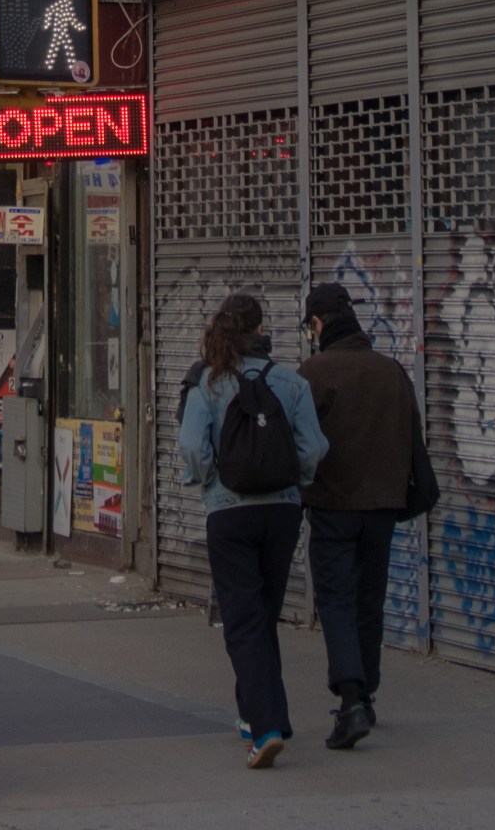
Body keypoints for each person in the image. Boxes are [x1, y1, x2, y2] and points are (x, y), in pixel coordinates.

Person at [177, 290, 327, 768]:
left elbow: (192, 448)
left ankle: (264, 730)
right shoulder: (291, 381)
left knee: (242, 621)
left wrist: (210, 483)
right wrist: (294, 482)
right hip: (282, 512)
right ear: (261, 330)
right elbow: (313, 447)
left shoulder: (207, 382)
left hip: (229, 512)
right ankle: (262, 715)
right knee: (263, 616)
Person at [298, 281, 427, 751]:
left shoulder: (313, 373)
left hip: (333, 506)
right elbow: (413, 442)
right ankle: (367, 696)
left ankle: (351, 701)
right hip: (382, 508)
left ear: (317, 324)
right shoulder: (391, 371)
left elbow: (301, 443)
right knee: (369, 600)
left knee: (336, 601)